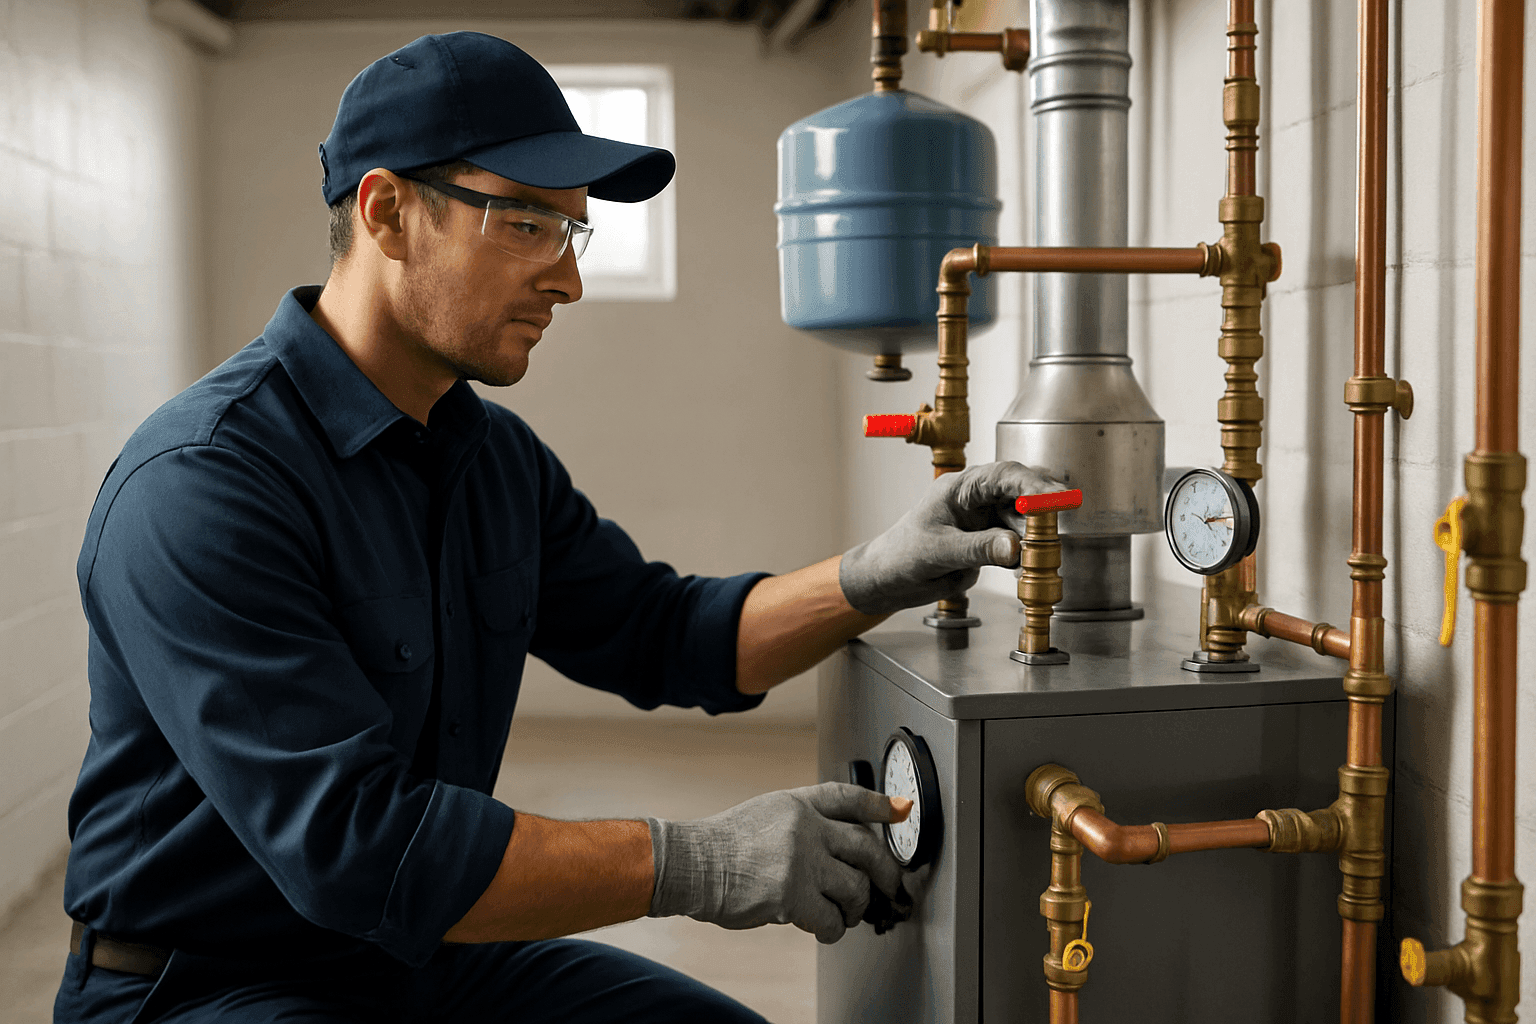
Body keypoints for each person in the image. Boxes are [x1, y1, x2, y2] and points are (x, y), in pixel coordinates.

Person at [54, 31, 1059, 1024]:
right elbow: (359, 848)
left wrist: (879, 571)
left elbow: (668, 633)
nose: (567, 281)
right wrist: (700, 862)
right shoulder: (205, 483)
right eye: (526, 223)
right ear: (388, 211)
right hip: (204, 985)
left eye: (571, 234)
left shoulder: (489, 458)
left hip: (420, 957)